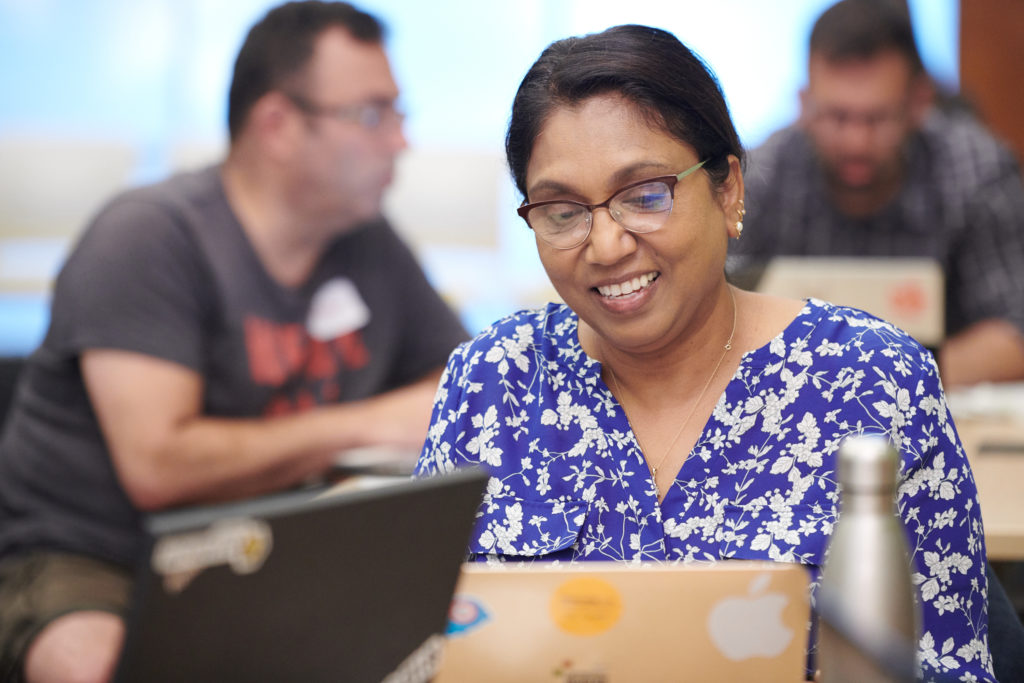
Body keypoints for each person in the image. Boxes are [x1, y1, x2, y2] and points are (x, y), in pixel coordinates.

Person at [415, 23, 996, 681]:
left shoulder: (872, 381)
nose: (605, 246)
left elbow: (950, 665)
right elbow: (413, 653)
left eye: (644, 196)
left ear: (729, 191)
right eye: (562, 211)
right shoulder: (492, 382)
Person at [0, 2, 468, 682]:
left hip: (270, 554)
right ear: (277, 125)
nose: (400, 142)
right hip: (95, 558)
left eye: (399, 115)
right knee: (106, 668)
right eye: (372, 116)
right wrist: (369, 424)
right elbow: (159, 465)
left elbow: (467, 385)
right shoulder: (148, 237)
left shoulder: (369, 243)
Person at [728, 0, 1024, 390]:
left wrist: (880, 380)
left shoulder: (974, 172)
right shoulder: (760, 176)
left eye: (877, 118)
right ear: (804, 104)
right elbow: (713, 315)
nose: (856, 142)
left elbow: (1015, 334)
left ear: (919, 103)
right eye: (837, 117)